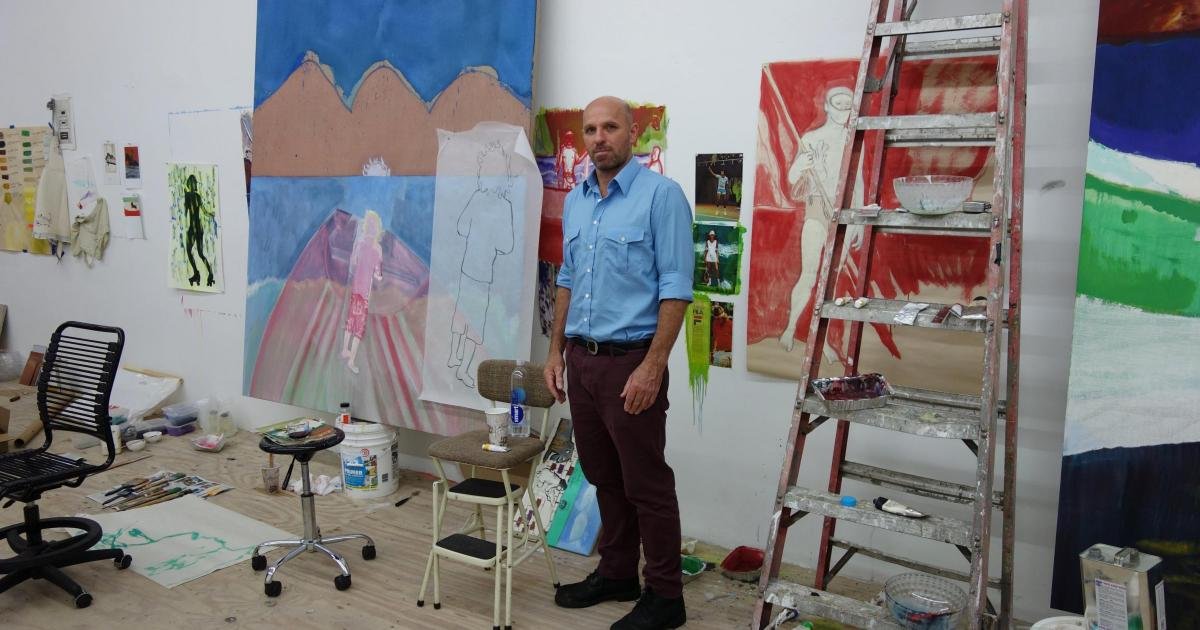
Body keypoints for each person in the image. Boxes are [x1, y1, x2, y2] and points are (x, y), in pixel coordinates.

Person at [544, 96, 692, 630]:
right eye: (590, 129)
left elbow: (676, 288)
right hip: (582, 362)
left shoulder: (661, 196)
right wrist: (555, 350)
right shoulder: (578, 201)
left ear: (634, 134)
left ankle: (666, 597)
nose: (599, 138)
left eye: (610, 127)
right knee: (603, 475)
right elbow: (566, 278)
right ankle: (617, 573)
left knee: (646, 483)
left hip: (631, 362)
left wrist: (652, 367)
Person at [777, 85, 864, 352]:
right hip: (817, 211)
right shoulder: (811, 138)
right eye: (838, 104)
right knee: (810, 274)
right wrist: (801, 166)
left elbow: (859, 180)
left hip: (845, 213)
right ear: (827, 106)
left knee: (832, 280)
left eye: (848, 105)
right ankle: (790, 329)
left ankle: (822, 340)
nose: (843, 110)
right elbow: (793, 179)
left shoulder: (854, 140)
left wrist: (859, 220)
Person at [447, 142, 515, 387]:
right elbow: (507, 245)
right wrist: (491, 234)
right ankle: (462, 367)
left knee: (463, 316)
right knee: (474, 324)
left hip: (470, 269)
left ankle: (456, 359)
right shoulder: (504, 206)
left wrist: (479, 230)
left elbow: (461, 227)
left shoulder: (478, 198)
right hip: (482, 273)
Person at [342, 210, 384, 374]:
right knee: (359, 328)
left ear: (366, 226)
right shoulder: (378, 249)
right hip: (365, 292)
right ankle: (351, 361)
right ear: (377, 229)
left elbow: (353, 263)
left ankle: (345, 349)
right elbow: (378, 274)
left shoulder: (359, 243)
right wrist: (377, 275)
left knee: (351, 319)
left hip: (356, 289)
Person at [183, 173, 215, 287]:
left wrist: (211, 214)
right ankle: (204, 273)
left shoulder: (190, 196)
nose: (193, 184)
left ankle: (202, 274)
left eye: (193, 183)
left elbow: (185, 213)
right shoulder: (195, 196)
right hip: (196, 228)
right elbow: (203, 211)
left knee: (195, 252)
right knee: (196, 252)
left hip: (194, 228)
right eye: (192, 183)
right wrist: (210, 214)